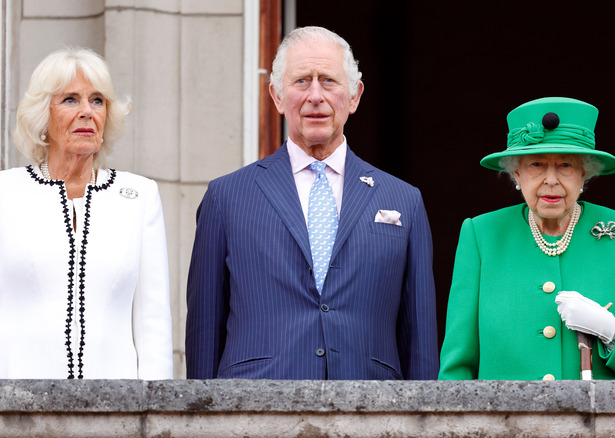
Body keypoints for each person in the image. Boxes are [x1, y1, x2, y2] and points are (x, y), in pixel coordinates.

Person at [185, 26, 438, 379]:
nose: (315, 95)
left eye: (329, 81)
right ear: (276, 96)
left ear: (354, 96)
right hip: (254, 411)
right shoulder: (226, 197)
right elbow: (203, 332)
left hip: (372, 411)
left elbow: (420, 339)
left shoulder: (404, 201)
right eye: (302, 81)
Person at [0, 48, 173, 379]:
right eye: (70, 100)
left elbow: (154, 327)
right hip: (11, 410)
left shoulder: (140, 198)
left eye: (97, 100)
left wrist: (156, 419)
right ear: (43, 117)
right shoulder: (0, 193)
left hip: (111, 414)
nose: (86, 112)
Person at [438, 97, 615, 380]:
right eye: (537, 164)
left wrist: (610, 329)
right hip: (502, 422)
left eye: (565, 165)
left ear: (585, 173)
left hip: (597, 422)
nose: (551, 180)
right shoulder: (481, 234)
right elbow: (457, 368)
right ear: (517, 173)